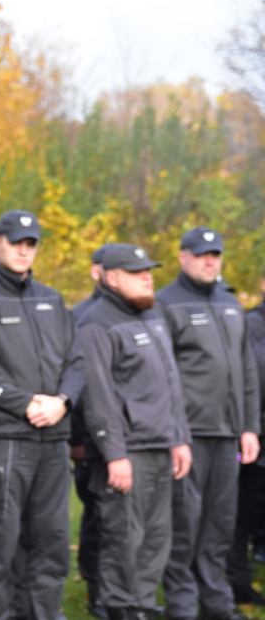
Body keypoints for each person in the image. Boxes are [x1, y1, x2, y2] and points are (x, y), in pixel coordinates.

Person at [0, 209, 85, 620]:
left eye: (31, 244)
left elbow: (77, 362)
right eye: (16, 242)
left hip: (53, 440)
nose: (24, 251)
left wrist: (62, 400)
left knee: (51, 543)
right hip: (5, 440)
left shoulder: (51, 298)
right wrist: (26, 403)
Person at [76, 243, 193, 620]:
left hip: (162, 445)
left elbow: (170, 385)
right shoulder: (96, 323)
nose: (147, 277)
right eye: (136, 272)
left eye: (149, 270)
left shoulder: (152, 314)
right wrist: (115, 454)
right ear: (111, 278)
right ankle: (120, 607)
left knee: (157, 536)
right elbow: (98, 396)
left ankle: (142, 604)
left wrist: (180, 438)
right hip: (127, 453)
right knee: (124, 538)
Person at [158, 226, 261, 620]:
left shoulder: (231, 304)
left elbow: (246, 372)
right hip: (188, 435)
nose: (209, 261)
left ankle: (216, 603)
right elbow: (160, 376)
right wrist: (172, 433)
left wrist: (249, 426)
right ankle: (182, 605)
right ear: (183, 256)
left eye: (215, 254)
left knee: (220, 524)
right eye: (201, 254)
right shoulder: (165, 303)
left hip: (228, 435)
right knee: (184, 524)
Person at [71, 242, 121, 620]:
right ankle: (96, 588)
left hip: (125, 433)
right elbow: (77, 380)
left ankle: (116, 588)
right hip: (91, 437)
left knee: (118, 519)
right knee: (97, 516)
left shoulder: (131, 313)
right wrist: (76, 440)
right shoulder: (82, 316)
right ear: (96, 272)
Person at [228, 270, 265, 605]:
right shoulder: (251, 325)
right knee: (242, 512)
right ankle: (238, 583)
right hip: (254, 437)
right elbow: (246, 381)